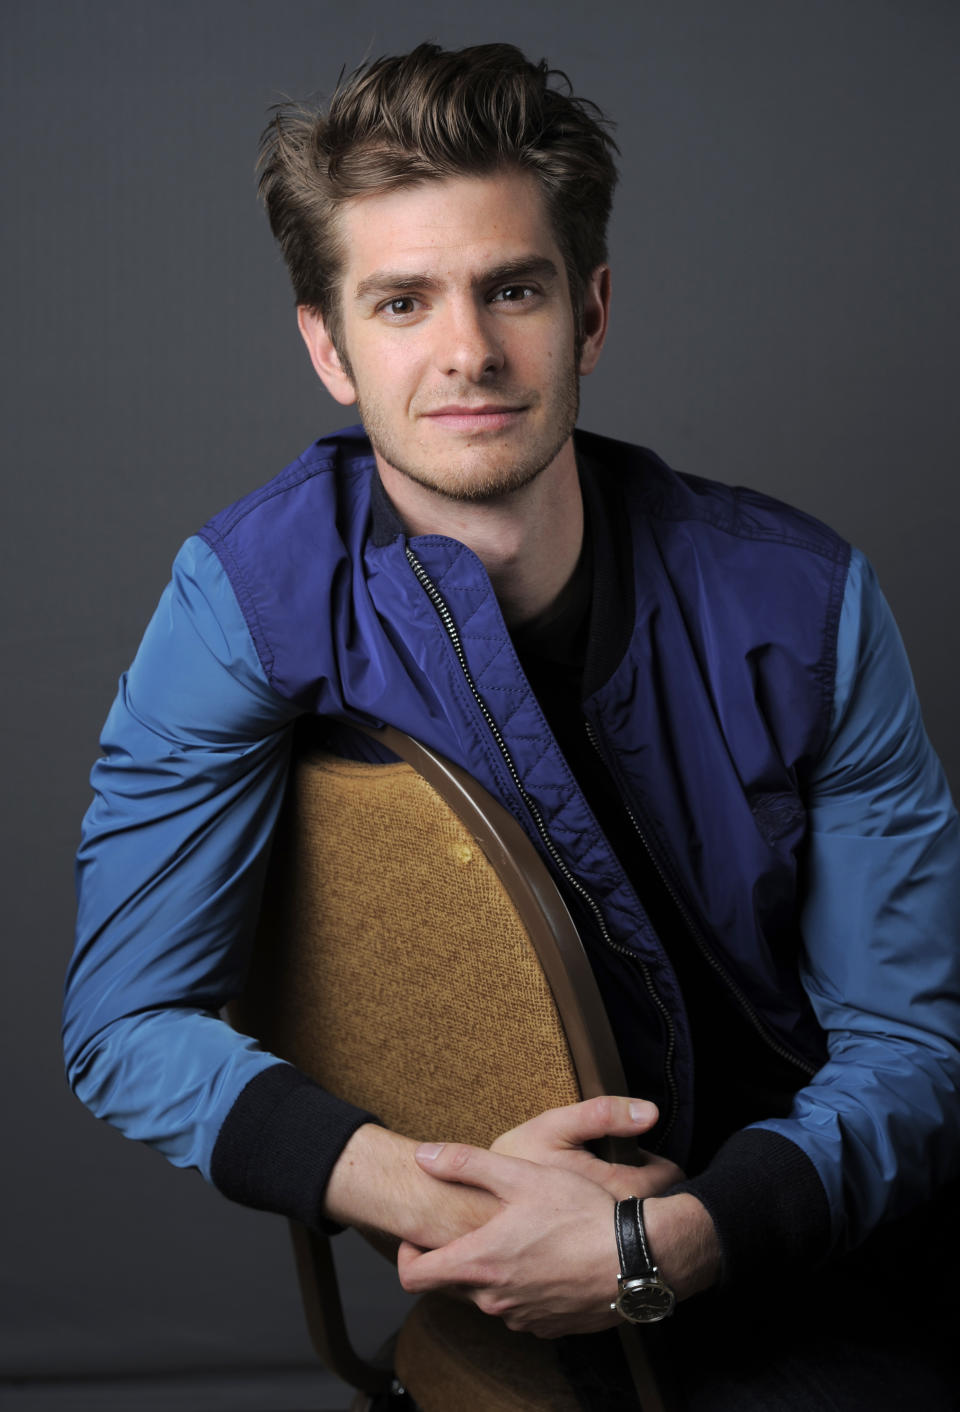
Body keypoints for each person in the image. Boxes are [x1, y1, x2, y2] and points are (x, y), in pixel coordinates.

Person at [63, 42, 960, 1409]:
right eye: (403, 301)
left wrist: (675, 1245)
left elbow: (916, 1049)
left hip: (832, 1234)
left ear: (590, 312)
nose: (469, 350)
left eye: (513, 289)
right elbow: (124, 1021)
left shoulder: (808, 599)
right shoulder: (245, 600)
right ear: (328, 346)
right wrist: (441, 1201)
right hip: (505, 1276)